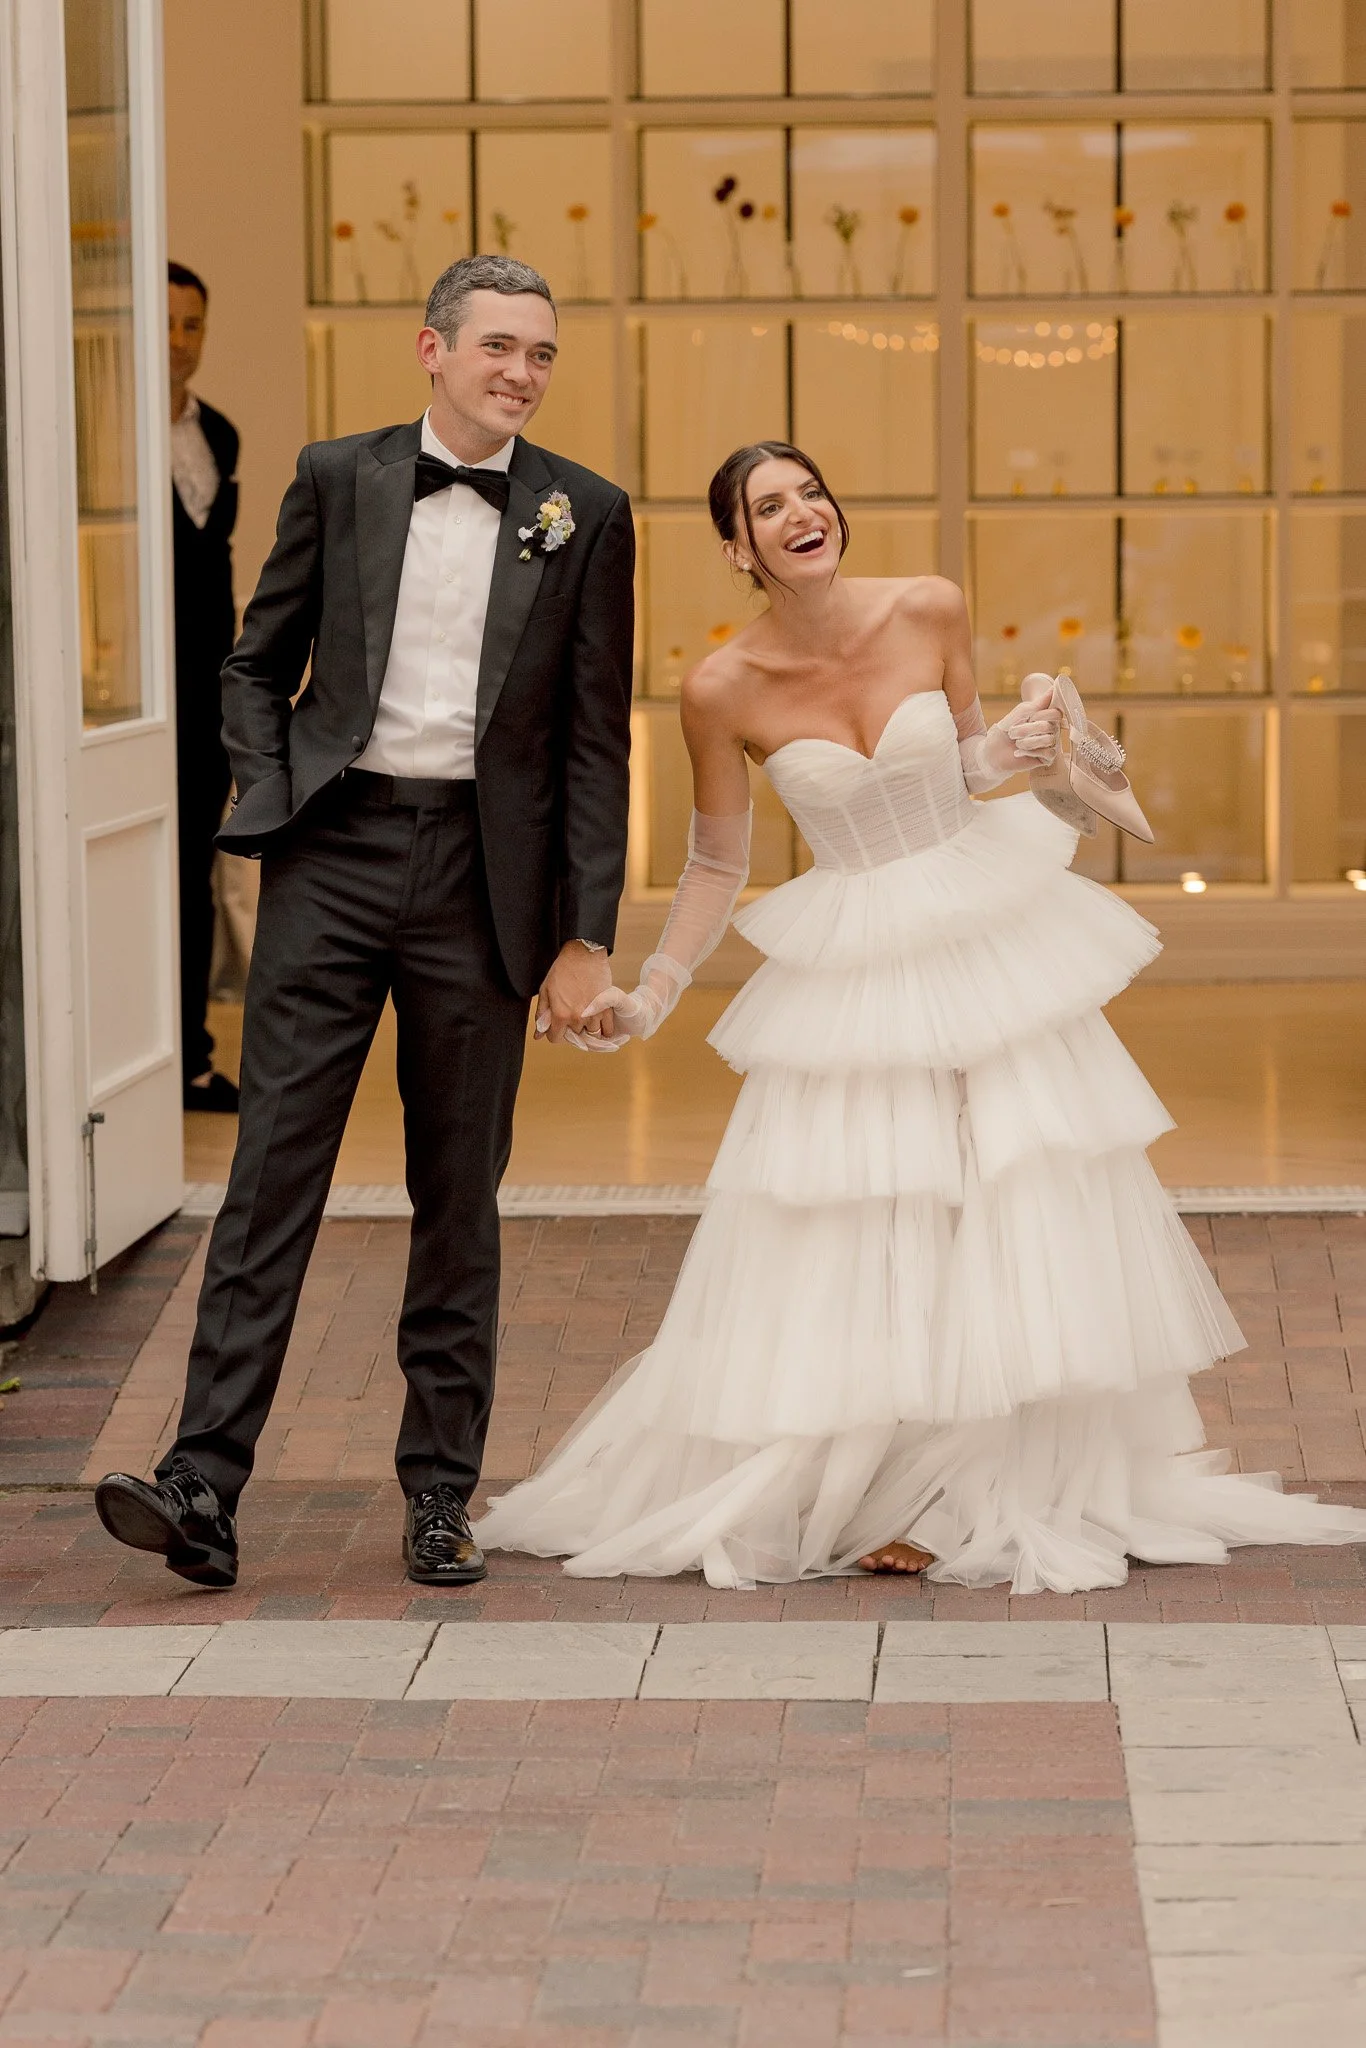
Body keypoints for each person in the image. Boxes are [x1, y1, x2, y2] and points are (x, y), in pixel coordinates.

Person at [475, 440, 1366, 1593]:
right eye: (768, 506)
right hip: (855, 967)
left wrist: (1013, 746)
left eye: (810, 492)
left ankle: (974, 1492)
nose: (801, 513)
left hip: (981, 936)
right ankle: (888, 1481)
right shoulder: (720, 688)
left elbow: (966, 765)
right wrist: (649, 993)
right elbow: (714, 862)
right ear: (737, 547)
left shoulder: (928, 605)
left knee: (1012, 1206)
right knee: (866, 1225)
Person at [94, 255, 634, 1590]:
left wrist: (586, 932)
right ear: (431, 350)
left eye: (540, 353)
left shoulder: (587, 513)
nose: (520, 371)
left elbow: (591, 745)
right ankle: (200, 1484)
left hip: (484, 884)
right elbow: (254, 660)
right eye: (497, 346)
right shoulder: (338, 476)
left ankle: (441, 1494)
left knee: (459, 1194)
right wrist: (275, 804)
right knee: (269, 1174)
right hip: (333, 861)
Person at [168, 260, 241, 1112]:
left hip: (203, 695)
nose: (181, 342)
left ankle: (191, 1053)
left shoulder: (218, 433)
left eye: (194, 326)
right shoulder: (98, 426)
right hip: (124, 693)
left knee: (194, 868)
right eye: (168, 323)